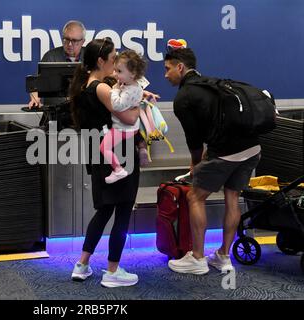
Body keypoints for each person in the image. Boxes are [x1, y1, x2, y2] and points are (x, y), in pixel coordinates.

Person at [163, 40, 261, 275]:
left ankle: (197, 259)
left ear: (180, 67)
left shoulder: (184, 97)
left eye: (167, 69)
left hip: (226, 152)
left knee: (195, 197)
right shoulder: (212, 84)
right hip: (253, 148)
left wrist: (196, 165)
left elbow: (194, 141)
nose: (165, 75)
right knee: (232, 196)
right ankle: (224, 257)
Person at [69, 38, 157, 287]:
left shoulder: (87, 85)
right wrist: (141, 103)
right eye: (113, 59)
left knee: (104, 211)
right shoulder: (103, 89)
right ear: (101, 61)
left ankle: (83, 264)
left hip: (102, 155)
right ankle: (112, 270)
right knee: (122, 213)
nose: (116, 64)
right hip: (120, 155)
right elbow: (129, 118)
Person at [99, 49, 148, 184]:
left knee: (104, 148)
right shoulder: (134, 86)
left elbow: (117, 105)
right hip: (129, 129)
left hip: (122, 129)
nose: (115, 74)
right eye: (115, 70)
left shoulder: (128, 90)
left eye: (119, 72)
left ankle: (118, 170)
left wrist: (114, 90)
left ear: (132, 74)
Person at [28, 20, 86, 109]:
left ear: (83, 41)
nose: (70, 44)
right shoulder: (50, 56)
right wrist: (35, 99)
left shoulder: (90, 56)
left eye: (74, 40)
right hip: (54, 111)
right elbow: (37, 84)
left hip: (83, 112)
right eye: (66, 39)